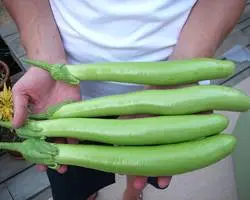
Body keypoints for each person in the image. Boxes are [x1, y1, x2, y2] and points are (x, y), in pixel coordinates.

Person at [3, 0, 245, 200]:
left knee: (144, 164)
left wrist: (187, 63)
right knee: (76, 177)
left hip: (175, 87)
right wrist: (45, 54)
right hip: (64, 90)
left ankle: (132, 191)